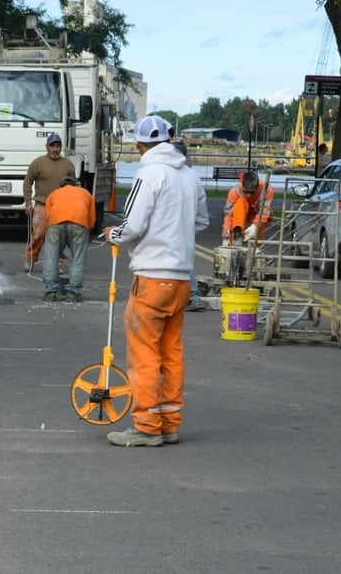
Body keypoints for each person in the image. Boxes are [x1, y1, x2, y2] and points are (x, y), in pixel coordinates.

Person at [102, 115, 209, 447]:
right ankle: (169, 421)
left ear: (138, 144)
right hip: (180, 279)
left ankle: (147, 424)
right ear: (169, 139)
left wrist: (112, 235)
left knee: (144, 352)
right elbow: (202, 220)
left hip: (152, 276)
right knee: (171, 350)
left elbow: (132, 225)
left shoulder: (148, 174)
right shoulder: (190, 176)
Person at [22, 133, 76, 272]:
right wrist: (28, 202)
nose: (55, 149)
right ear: (47, 147)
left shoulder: (68, 165)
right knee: (38, 234)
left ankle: (57, 264)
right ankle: (31, 258)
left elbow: (74, 186)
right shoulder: (38, 163)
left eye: (58, 146)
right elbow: (28, 181)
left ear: (61, 147)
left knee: (59, 236)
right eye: (52, 146)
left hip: (61, 206)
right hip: (42, 204)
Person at [168, 126, 208, 312]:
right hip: (183, 228)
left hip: (170, 227)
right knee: (184, 261)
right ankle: (191, 296)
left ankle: (187, 295)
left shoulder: (163, 174)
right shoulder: (192, 177)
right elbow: (202, 219)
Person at [41, 176, 95, 302]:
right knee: (78, 258)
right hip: (79, 224)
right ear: (75, 184)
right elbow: (91, 219)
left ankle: (50, 291)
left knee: (51, 257)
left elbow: (48, 216)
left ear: (61, 185)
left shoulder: (54, 194)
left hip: (56, 224)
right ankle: (73, 292)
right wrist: (88, 229)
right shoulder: (85, 193)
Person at [222, 169, 275, 246]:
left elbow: (264, 212)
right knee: (240, 201)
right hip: (241, 212)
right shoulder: (234, 191)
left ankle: (255, 251)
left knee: (257, 236)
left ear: (257, 187)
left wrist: (255, 227)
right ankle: (237, 233)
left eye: (252, 192)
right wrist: (226, 229)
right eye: (246, 192)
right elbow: (228, 214)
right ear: (242, 186)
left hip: (258, 214)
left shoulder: (267, 190)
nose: (248, 195)